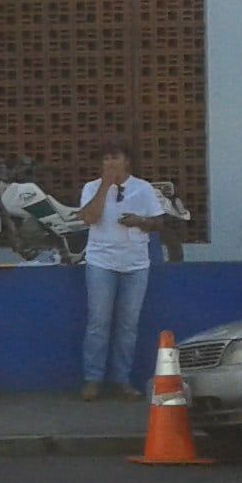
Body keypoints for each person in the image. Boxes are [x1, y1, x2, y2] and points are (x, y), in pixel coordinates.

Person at [77, 138, 166, 400]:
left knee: (128, 325)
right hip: (101, 262)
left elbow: (159, 222)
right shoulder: (91, 187)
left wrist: (140, 221)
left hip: (135, 264)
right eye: (105, 159)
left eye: (115, 157)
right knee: (98, 322)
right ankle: (93, 379)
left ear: (126, 160)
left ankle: (121, 380)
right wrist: (105, 186)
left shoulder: (143, 188)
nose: (110, 163)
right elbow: (89, 218)